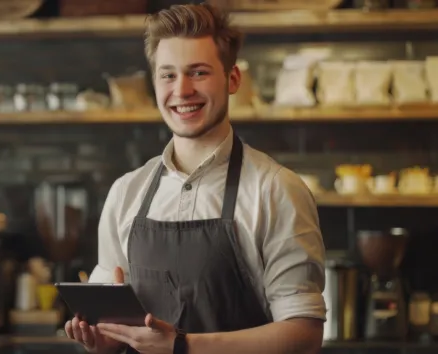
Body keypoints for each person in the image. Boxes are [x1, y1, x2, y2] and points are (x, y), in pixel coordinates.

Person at [65, 3, 326, 354]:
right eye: (168, 75)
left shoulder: (276, 189)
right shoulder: (127, 192)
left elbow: (303, 336)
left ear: (232, 79)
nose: (182, 90)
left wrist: (182, 346)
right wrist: (100, 338)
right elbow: (113, 331)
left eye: (198, 72)